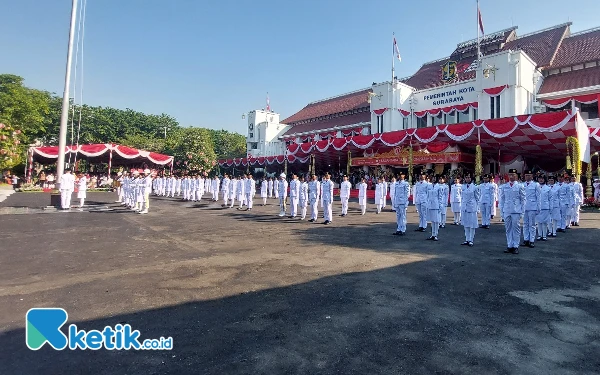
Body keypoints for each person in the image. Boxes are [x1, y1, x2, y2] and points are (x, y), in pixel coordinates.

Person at [499, 169, 525, 254]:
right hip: (507, 210)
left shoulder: (520, 186)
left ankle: (515, 246)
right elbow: (502, 199)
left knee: (516, 229)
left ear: (516, 176)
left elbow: (523, 199)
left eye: (513, 175)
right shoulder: (504, 186)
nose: (511, 176)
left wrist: (522, 211)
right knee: (508, 229)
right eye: (510, 175)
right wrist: (501, 210)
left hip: (516, 210)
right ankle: (509, 245)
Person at [522, 170, 541, 248]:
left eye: (529, 175)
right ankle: (526, 239)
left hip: (532, 206)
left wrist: (538, 208)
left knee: (532, 224)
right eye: (526, 175)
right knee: (525, 224)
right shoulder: (522, 185)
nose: (527, 177)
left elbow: (539, 197)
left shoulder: (536, 185)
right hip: (524, 207)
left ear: (532, 176)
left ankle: (532, 240)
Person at [461, 174, 480, 247]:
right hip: (465, 207)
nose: (467, 179)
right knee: (466, 223)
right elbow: (462, 197)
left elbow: (477, 198)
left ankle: (471, 240)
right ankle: (467, 239)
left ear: (471, 178)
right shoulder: (463, 187)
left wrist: (477, 208)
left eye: (468, 177)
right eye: (466, 177)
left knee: (472, 224)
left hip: (472, 207)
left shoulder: (475, 187)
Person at [425, 176, 444, 241]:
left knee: (436, 221)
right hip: (430, 205)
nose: (433, 179)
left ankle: (435, 234)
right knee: (432, 221)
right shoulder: (429, 186)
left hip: (436, 205)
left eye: (435, 178)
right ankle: (432, 234)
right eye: (432, 178)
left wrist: (440, 206)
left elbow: (440, 197)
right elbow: (427, 196)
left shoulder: (439, 187)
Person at [536, 174, 551, 242]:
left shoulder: (548, 188)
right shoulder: (536, 187)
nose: (541, 180)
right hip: (538, 207)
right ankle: (539, 235)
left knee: (544, 222)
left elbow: (550, 199)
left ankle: (544, 235)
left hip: (545, 207)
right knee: (539, 222)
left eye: (542, 178)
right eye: (540, 178)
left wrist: (550, 208)